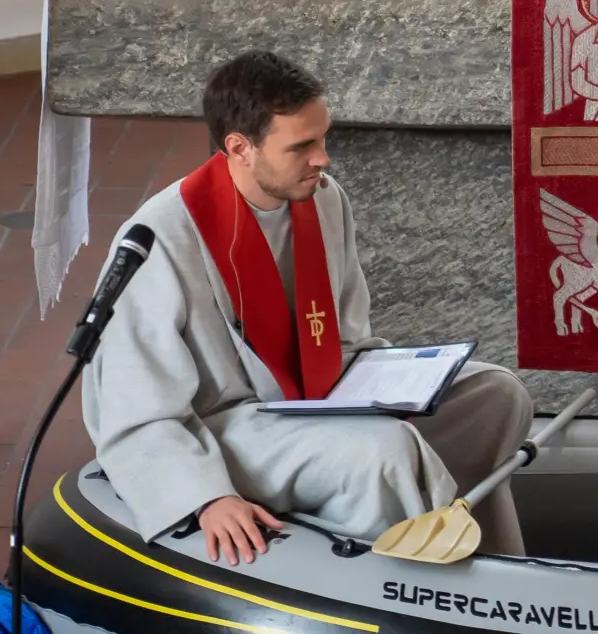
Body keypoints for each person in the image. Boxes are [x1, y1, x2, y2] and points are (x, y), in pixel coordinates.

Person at [81, 49, 535, 565]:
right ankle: (418, 596)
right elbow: (134, 409)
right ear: (240, 148)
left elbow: (345, 334)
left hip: (319, 392)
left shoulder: (322, 198)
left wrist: (392, 380)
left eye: (323, 138)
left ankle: (500, 567)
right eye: (303, 146)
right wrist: (207, 496)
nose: (323, 159)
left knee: (496, 393)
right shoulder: (162, 238)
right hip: (227, 426)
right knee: (383, 453)